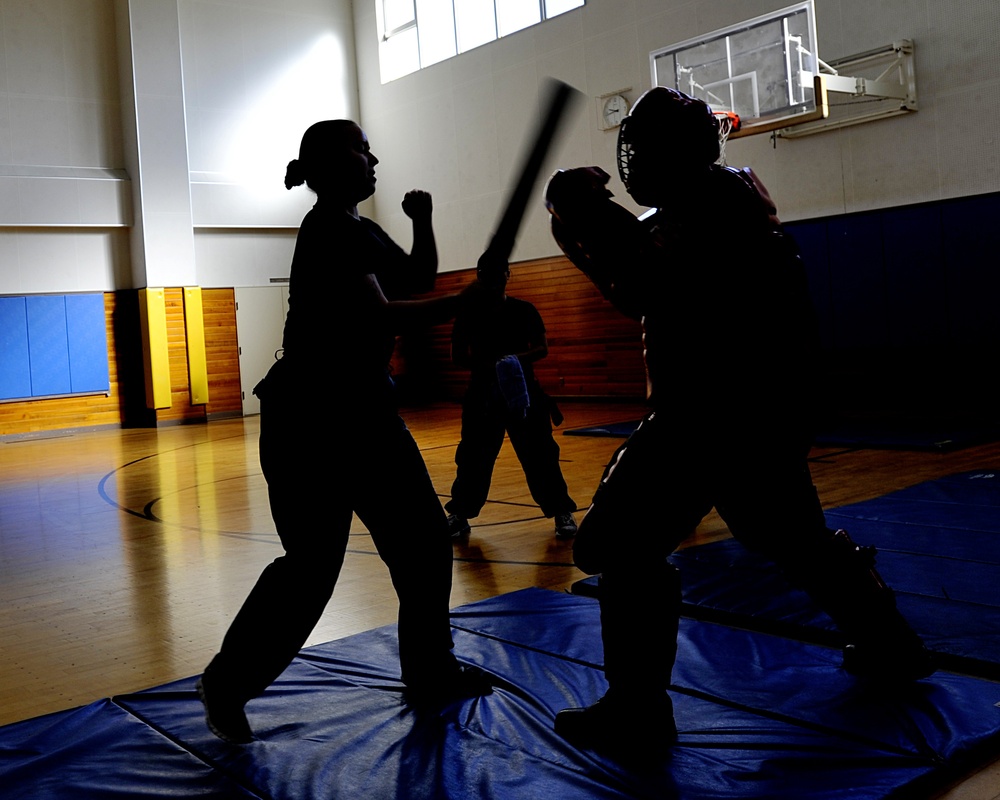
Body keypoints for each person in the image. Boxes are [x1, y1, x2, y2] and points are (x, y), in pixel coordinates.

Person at [543, 88, 933, 757]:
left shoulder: (711, 204)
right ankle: (889, 643)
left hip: (710, 414)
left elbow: (642, 275)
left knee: (615, 546)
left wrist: (585, 208)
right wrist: (573, 226)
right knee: (790, 535)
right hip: (756, 411)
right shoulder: (723, 197)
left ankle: (637, 710)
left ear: (667, 150)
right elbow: (635, 290)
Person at [197, 119, 491, 744]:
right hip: (310, 419)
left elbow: (417, 280)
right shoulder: (327, 229)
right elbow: (384, 313)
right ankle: (226, 683)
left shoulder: (361, 229)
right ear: (334, 166)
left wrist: (424, 222)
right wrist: (467, 300)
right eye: (363, 151)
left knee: (423, 543)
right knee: (312, 567)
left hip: (363, 414)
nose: (375, 158)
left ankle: (431, 669)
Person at [444, 265, 578, 540]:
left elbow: (541, 347)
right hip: (482, 395)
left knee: (540, 454)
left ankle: (561, 510)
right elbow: (457, 355)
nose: (493, 279)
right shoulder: (469, 314)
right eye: (486, 273)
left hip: (523, 393)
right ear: (479, 277)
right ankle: (460, 513)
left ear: (507, 274)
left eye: (498, 273)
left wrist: (512, 363)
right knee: (473, 458)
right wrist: (489, 366)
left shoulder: (524, 310)